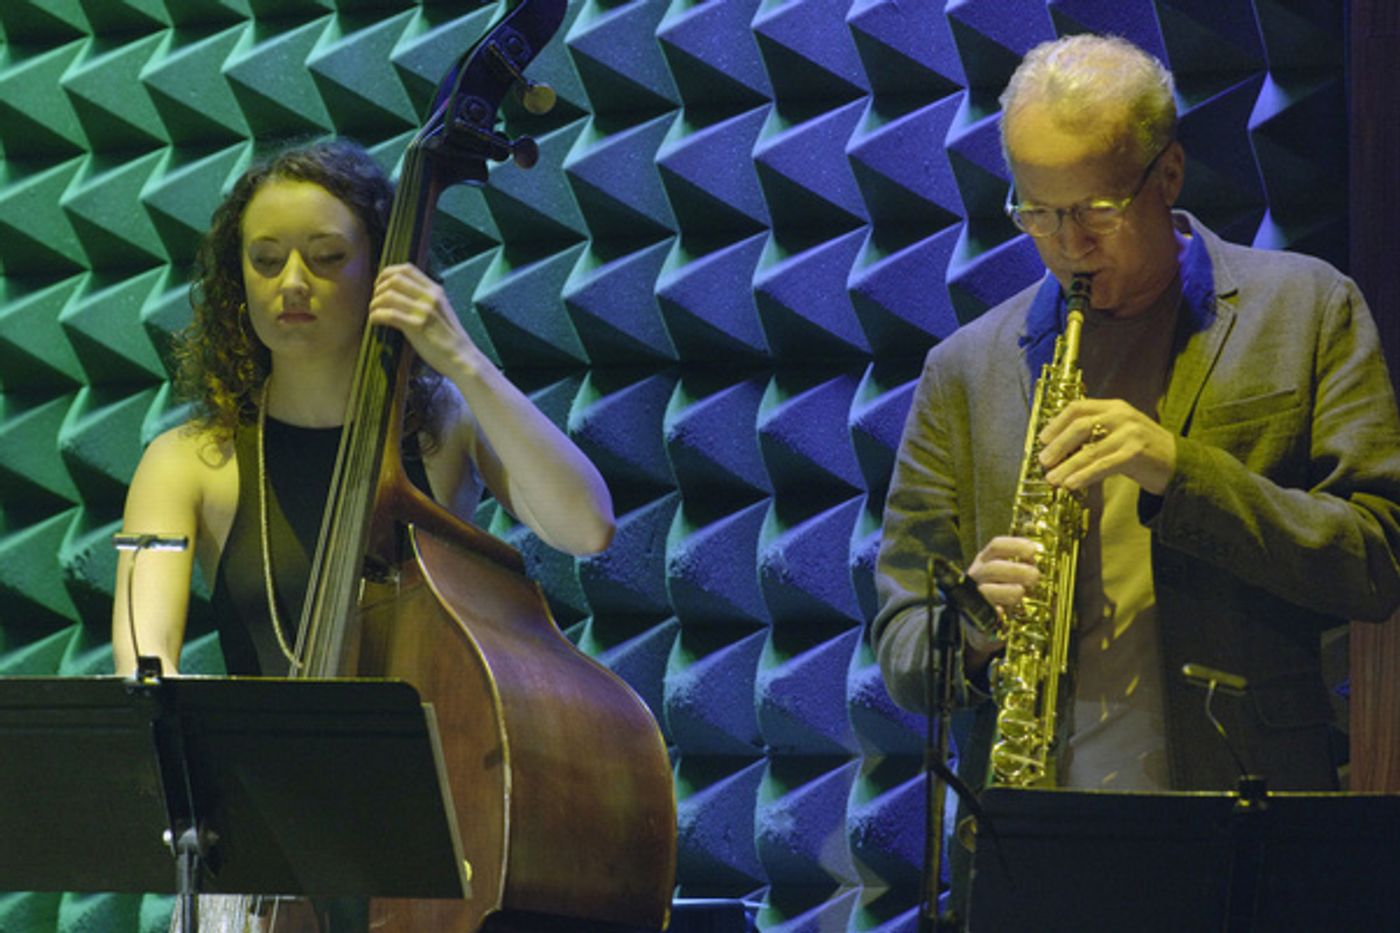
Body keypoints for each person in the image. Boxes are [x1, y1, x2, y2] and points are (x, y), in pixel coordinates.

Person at [872, 31, 1400, 919]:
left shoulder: (1307, 307)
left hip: (1242, 820)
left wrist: (1181, 471)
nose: (1068, 244)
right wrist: (966, 623)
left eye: (1098, 209)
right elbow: (899, 644)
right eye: (1037, 213)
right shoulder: (965, 369)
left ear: (1170, 173)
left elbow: (1378, 557)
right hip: (1035, 833)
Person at [112, 138, 615, 678]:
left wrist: (464, 361)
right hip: (263, 761)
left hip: (436, 757)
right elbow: (145, 666)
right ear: (240, 282)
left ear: (381, 268)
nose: (293, 282)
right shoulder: (185, 463)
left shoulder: (444, 424)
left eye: (327, 257)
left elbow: (587, 529)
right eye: (266, 260)